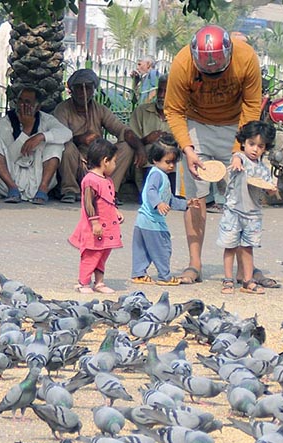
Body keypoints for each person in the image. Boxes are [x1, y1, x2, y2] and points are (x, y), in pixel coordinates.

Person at [166, 24, 280, 288]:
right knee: (195, 197)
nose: (213, 76)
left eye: (218, 71)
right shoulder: (182, 62)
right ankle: (195, 264)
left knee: (242, 197)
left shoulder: (246, 57)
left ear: (228, 54)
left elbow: (251, 105)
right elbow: (173, 110)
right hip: (197, 126)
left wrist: (239, 150)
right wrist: (187, 148)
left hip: (236, 127)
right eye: (207, 72)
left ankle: (245, 270)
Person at [54, 68, 146, 204]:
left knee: (127, 147)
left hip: (98, 161)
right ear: (71, 90)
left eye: (88, 89)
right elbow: (58, 135)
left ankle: (109, 190)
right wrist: (80, 139)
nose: (83, 93)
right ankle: (70, 190)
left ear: (93, 90)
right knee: (66, 148)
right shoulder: (63, 109)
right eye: (79, 88)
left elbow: (122, 129)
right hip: (77, 160)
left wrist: (140, 148)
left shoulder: (100, 109)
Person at [0, 86, 72, 204]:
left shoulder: (46, 120)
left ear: (37, 107)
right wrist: (26, 131)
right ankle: (12, 189)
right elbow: (11, 156)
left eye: (27, 102)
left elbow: (67, 133)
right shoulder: (6, 122)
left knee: (55, 143)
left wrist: (41, 137)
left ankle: (43, 189)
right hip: (10, 177)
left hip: (37, 178)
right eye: (20, 101)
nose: (22, 105)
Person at [218, 121, 277, 295]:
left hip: (253, 214)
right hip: (233, 211)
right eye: (251, 144)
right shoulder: (240, 158)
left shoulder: (264, 169)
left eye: (260, 146)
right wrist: (236, 162)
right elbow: (236, 157)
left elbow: (268, 190)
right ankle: (228, 280)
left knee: (248, 248)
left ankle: (247, 280)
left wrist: (272, 190)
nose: (255, 149)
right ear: (244, 142)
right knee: (230, 246)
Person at [131, 134, 197, 287]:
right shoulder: (156, 174)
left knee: (142, 250)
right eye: (168, 162)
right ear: (155, 159)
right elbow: (151, 191)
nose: (171, 166)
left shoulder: (163, 176)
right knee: (163, 248)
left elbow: (170, 200)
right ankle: (164, 276)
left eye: (174, 162)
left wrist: (186, 203)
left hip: (142, 222)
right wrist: (158, 204)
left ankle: (138, 273)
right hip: (153, 222)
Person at [67, 138, 124, 294]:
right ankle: (83, 282)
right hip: (95, 227)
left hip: (107, 227)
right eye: (114, 161)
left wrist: (115, 211)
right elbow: (89, 203)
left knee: (102, 254)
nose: (115, 165)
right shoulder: (90, 180)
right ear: (105, 161)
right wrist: (95, 222)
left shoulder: (107, 180)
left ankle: (99, 282)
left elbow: (108, 200)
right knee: (91, 254)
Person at [129, 74, 170, 195]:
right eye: (160, 91)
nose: (161, 96)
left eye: (166, 92)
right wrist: (146, 140)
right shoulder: (142, 111)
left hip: (171, 165)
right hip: (148, 162)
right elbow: (130, 138)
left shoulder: (179, 115)